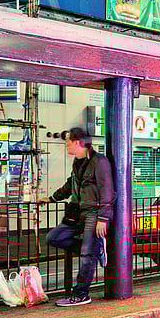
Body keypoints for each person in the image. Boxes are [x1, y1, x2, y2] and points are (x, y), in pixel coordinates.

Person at [46, 128, 114, 307]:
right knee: (54, 238)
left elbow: (107, 190)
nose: (66, 145)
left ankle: (81, 294)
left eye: (68, 142)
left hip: (94, 212)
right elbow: (71, 184)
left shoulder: (100, 162)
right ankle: (95, 249)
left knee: (86, 255)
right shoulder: (78, 161)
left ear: (77, 143)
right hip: (78, 212)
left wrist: (103, 218)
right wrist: (53, 198)